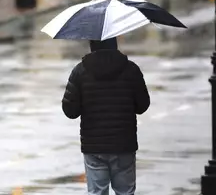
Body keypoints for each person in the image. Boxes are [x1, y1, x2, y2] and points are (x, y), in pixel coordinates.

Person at [62, 38, 150, 195]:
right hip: (124, 144)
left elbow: (70, 111)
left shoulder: (80, 72)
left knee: (97, 192)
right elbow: (142, 106)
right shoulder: (131, 70)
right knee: (125, 191)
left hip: (94, 145)